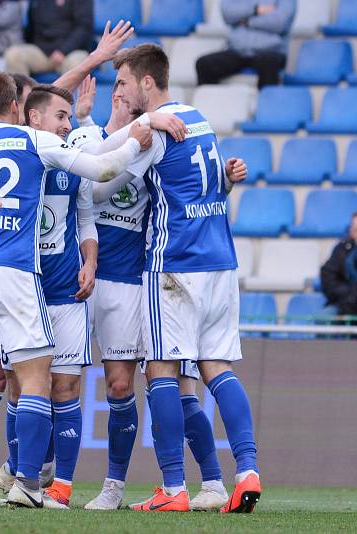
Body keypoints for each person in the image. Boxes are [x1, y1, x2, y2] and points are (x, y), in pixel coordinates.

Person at [0, 70, 151, 509]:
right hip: (15, 274)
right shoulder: (32, 142)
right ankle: (28, 482)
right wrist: (136, 141)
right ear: (16, 109)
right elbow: (103, 167)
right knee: (32, 379)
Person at [70, 82, 232, 512]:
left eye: (128, 91)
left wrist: (226, 181)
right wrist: (126, 125)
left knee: (168, 384)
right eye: (117, 91)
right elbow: (93, 186)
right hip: (84, 276)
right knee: (70, 381)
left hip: (137, 278)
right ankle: (45, 476)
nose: (122, 97)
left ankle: (206, 481)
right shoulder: (89, 138)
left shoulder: (160, 142)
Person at [111, 44, 257, 514]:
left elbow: (101, 171)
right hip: (221, 262)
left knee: (160, 372)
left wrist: (141, 126)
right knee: (218, 367)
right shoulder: (199, 120)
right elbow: (210, 183)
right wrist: (230, 178)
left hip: (174, 263)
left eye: (124, 83)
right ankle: (247, 471)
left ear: (147, 83)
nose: (121, 91)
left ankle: (173, 487)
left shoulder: (154, 130)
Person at [195, 0, 296, 88]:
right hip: (237, 51)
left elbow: (278, 22)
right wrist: (255, 10)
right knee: (204, 64)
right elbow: (227, 13)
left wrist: (247, 21)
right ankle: (211, 106)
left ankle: (267, 107)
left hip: (271, 51)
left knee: (268, 62)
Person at [5, 0, 93, 78]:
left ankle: (70, 97)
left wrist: (63, 51)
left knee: (76, 63)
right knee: (13, 55)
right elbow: (32, 28)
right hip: (43, 52)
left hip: (71, 52)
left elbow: (84, 28)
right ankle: (24, 95)